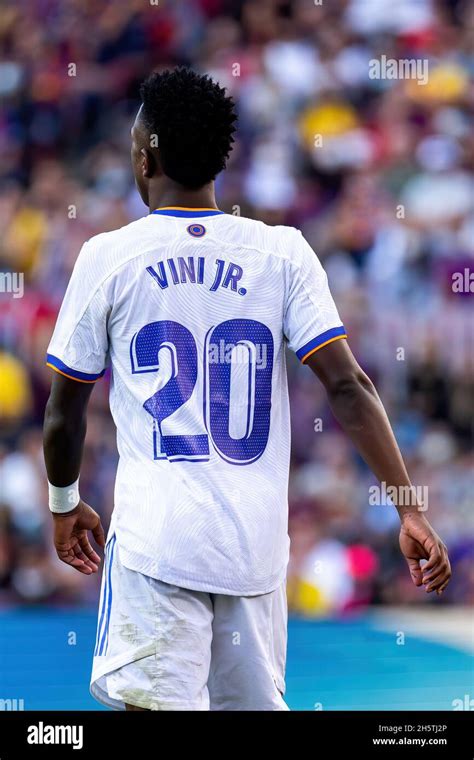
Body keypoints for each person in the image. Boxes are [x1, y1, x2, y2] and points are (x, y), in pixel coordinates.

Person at [43, 68, 451, 711]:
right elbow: (349, 386)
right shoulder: (282, 251)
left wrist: (65, 503)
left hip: (156, 545)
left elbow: (65, 411)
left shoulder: (109, 256)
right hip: (254, 554)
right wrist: (408, 507)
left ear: (145, 155)